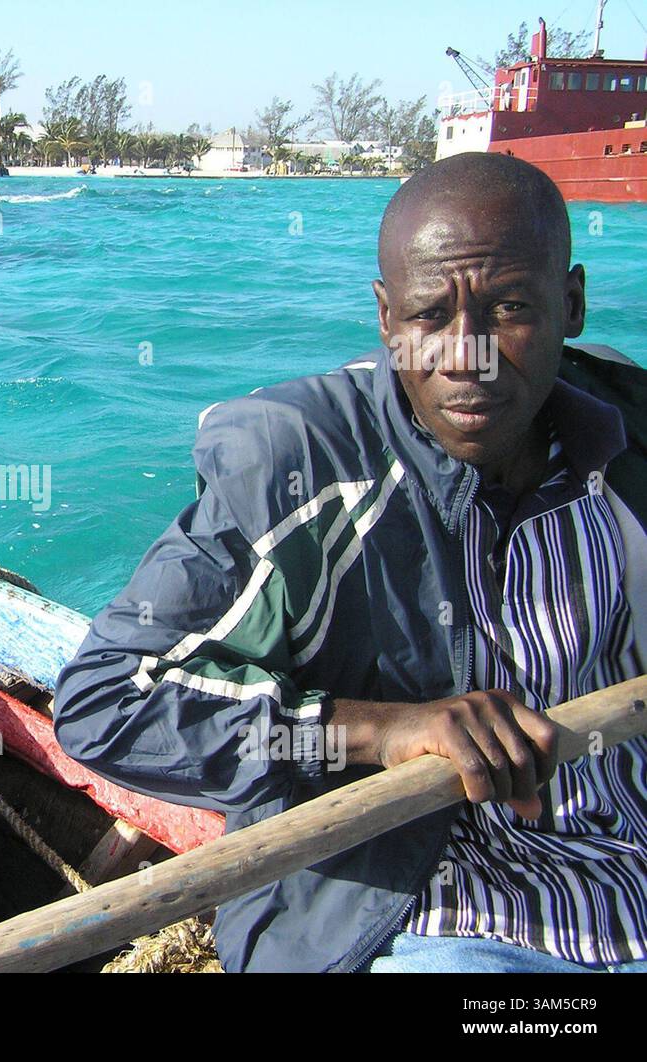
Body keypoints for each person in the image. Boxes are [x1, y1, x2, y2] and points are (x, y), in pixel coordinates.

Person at [54, 151, 647, 973]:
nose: (466, 357)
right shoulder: (301, 464)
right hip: (429, 916)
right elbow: (107, 697)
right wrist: (386, 730)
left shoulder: (629, 444)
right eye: (430, 317)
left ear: (572, 303)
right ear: (385, 317)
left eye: (509, 307)